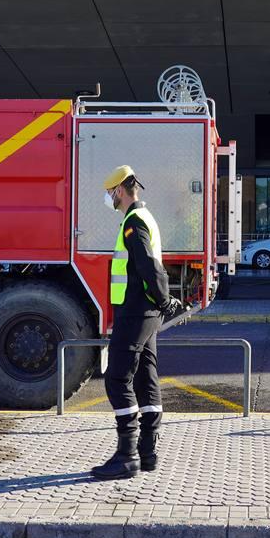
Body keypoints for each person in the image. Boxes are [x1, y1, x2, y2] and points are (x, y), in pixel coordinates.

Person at [91, 165, 186, 481]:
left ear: (119, 190)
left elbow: (149, 267)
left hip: (135, 312)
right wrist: (162, 304)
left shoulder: (133, 223)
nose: (109, 198)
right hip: (144, 314)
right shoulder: (144, 218)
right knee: (146, 379)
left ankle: (126, 455)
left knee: (117, 379)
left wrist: (164, 300)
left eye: (109, 193)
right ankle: (147, 452)